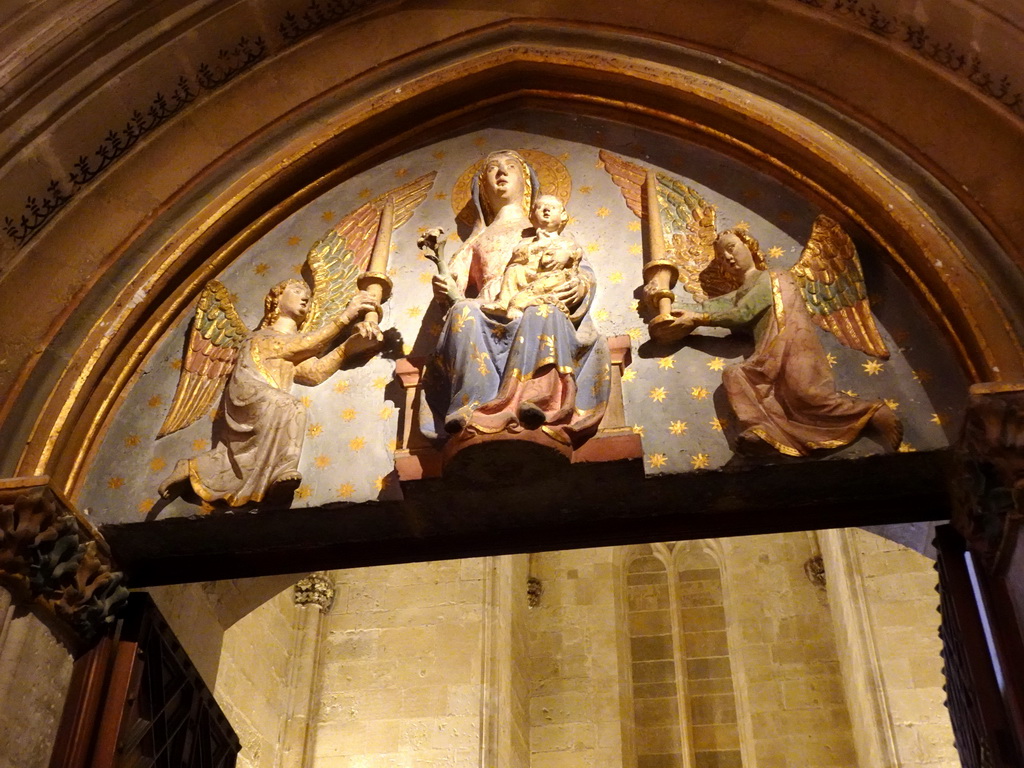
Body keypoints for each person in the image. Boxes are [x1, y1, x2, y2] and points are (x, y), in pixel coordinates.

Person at [648, 228, 902, 456]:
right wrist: (663, 299)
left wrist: (698, 318)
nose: (727, 258)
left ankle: (872, 413)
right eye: (722, 258)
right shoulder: (739, 293)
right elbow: (706, 307)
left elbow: (742, 313)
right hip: (768, 357)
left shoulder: (775, 277)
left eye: (731, 248)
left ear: (750, 247)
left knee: (810, 394)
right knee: (735, 375)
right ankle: (762, 430)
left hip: (794, 349)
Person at [421, 150, 609, 447]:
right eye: (492, 170)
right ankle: (471, 407)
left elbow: (579, 268)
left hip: (538, 299)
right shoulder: (477, 239)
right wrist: (442, 273)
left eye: (510, 168)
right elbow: (455, 292)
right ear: (482, 188)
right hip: (490, 306)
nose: (501, 173)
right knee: (464, 313)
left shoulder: (548, 232)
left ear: (527, 182)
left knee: (542, 312)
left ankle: (538, 401)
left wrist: (581, 285)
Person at [159, 279, 381, 505]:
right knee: (290, 407)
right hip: (249, 393)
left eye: (308, 296)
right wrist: (348, 315)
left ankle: (193, 468)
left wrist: (348, 348)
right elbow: (304, 345)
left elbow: (313, 373)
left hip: (270, 400)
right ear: (276, 300)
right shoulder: (260, 337)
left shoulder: (292, 345)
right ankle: (283, 469)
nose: (305, 297)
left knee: (245, 455)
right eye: (296, 291)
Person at [482, 195, 584, 321]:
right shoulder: (527, 241)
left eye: (552, 208)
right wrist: (537, 245)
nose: (546, 210)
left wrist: (565, 255)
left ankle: (517, 305)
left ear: (563, 216)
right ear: (532, 217)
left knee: (559, 277)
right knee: (514, 269)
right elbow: (517, 255)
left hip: (552, 279)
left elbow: (576, 254)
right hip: (528, 276)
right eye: (540, 208)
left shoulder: (566, 241)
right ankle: (504, 302)